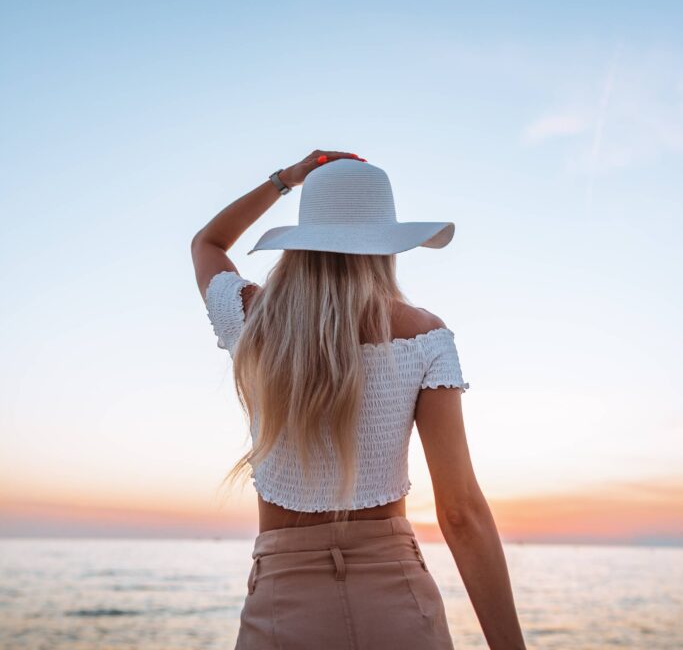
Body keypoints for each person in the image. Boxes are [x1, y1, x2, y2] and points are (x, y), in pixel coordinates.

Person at [191, 149, 527, 650]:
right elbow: (459, 513)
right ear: (386, 245)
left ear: (302, 242)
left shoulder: (253, 322)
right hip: (397, 600)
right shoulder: (426, 337)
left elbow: (208, 242)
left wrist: (287, 179)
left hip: (284, 603)